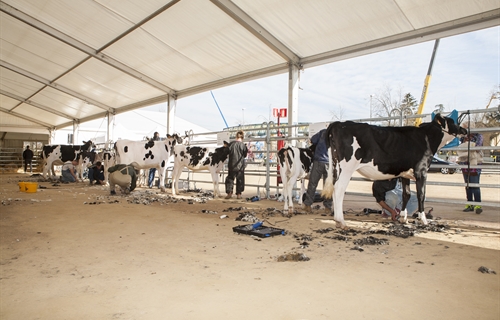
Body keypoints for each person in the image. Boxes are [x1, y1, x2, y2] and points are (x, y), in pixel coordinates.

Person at [303, 129, 333, 213]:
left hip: (318, 160)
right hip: (330, 162)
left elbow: (312, 140)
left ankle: (308, 205)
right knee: (328, 185)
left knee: (312, 183)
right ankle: (328, 207)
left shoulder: (322, 132)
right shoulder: (336, 134)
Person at [458, 122, 483, 214]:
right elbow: (460, 148)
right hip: (465, 163)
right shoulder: (463, 137)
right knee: (468, 185)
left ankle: (477, 204)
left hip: (474, 164)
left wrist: (467, 146)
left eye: (465, 128)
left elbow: (477, 147)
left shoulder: (478, 136)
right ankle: (469, 204)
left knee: (475, 184)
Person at [225, 130, 248, 199]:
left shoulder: (231, 144)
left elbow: (226, 152)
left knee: (230, 179)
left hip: (231, 165)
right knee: (240, 180)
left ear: (236, 136)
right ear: (242, 137)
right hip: (240, 165)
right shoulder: (243, 145)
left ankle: (229, 193)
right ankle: (239, 194)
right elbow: (245, 155)